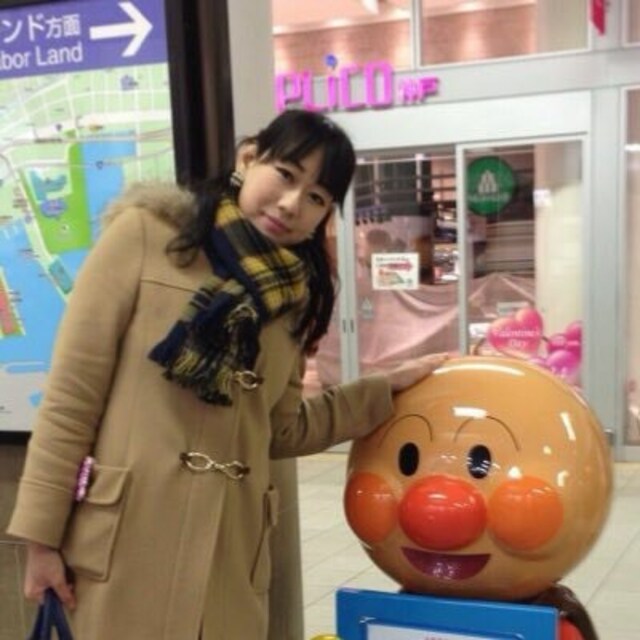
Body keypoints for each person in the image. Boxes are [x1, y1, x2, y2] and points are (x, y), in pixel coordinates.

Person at [7, 109, 445, 640]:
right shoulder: (145, 235)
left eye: (316, 197)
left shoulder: (296, 294)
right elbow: (71, 397)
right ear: (248, 158)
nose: (291, 203)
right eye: (285, 174)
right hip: (123, 544)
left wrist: (380, 391)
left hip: (229, 555)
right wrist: (41, 540)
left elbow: (281, 429)